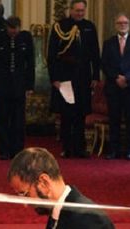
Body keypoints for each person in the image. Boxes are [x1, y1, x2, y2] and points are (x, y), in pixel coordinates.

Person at [47, 0, 100, 159]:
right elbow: (51, 55)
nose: (80, 13)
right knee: (66, 113)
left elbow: (95, 54)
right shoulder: (60, 26)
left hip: (83, 77)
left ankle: (80, 148)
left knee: (80, 113)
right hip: (65, 77)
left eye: (82, 10)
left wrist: (95, 76)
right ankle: (67, 148)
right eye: (77, 10)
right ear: (70, 10)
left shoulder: (89, 27)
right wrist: (54, 78)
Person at [0, 16, 35, 160]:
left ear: (19, 27)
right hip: (1, 85)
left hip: (19, 85)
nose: (13, 31)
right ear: (6, 27)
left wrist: (30, 85)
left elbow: (30, 63)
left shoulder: (26, 38)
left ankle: (17, 150)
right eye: (11, 29)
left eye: (16, 29)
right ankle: (4, 150)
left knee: (18, 120)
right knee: (2, 118)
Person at [101, 13, 130, 160]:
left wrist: (126, 78)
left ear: (129, 25)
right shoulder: (108, 43)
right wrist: (116, 78)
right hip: (113, 87)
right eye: (119, 23)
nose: (122, 25)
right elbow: (104, 64)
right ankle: (114, 150)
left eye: (125, 23)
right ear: (115, 25)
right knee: (114, 120)